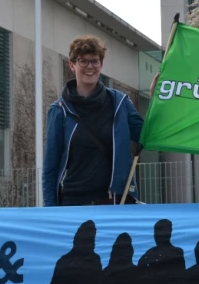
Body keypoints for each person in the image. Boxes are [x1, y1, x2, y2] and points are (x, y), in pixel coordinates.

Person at [42, 35, 144, 206]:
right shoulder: (60, 110)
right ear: (72, 65)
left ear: (101, 65)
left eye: (95, 61)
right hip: (73, 204)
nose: (90, 66)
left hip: (114, 202)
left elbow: (145, 136)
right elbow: (50, 168)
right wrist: (50, 212)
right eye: (83, 61)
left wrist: (158, 101)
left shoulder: (119, 103)